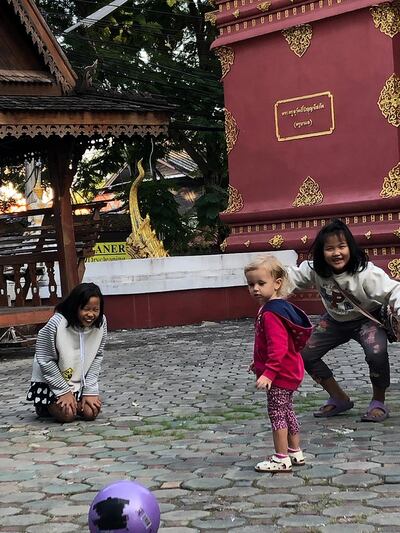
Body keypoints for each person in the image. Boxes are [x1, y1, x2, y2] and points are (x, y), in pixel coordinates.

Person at [288, 218, 400, 422]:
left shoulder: (366, 273)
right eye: (329, 248)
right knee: (305, 353)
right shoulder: (314, 270)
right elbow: (288, 279)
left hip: (366, 319)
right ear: (322, 252)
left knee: (376, 353)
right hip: (334, 320)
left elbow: (394, 290)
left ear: (350, 247)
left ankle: (378, 402)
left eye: (342, 246)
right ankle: (339, 397)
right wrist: (265, 281)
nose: (336, 253)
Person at [245, 255, 313, 473]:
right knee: (287, 411)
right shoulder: (278, 307)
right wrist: (257, 363)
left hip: (281, 374)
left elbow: (278, 348)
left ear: (277, 283)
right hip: (290, 371)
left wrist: (269, 373)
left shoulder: (271, 313)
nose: (255, 288)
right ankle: (295, 452)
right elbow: (270, 346)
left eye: (261, 283)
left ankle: (280, 458)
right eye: (250, 284)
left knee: (276, 413)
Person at [26, 282, 107, 423]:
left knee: (90, 413)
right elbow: (45, 359)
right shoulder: (56, 324)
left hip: (79, 382)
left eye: (95, 309)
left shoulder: (101, 323)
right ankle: (44, 406)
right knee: (67, 415)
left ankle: (76, 400)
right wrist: (63, 391)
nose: (91, 314)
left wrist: (90, 391)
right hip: (51, 382)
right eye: (86, 309)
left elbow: (97, 356)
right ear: (75, 306)